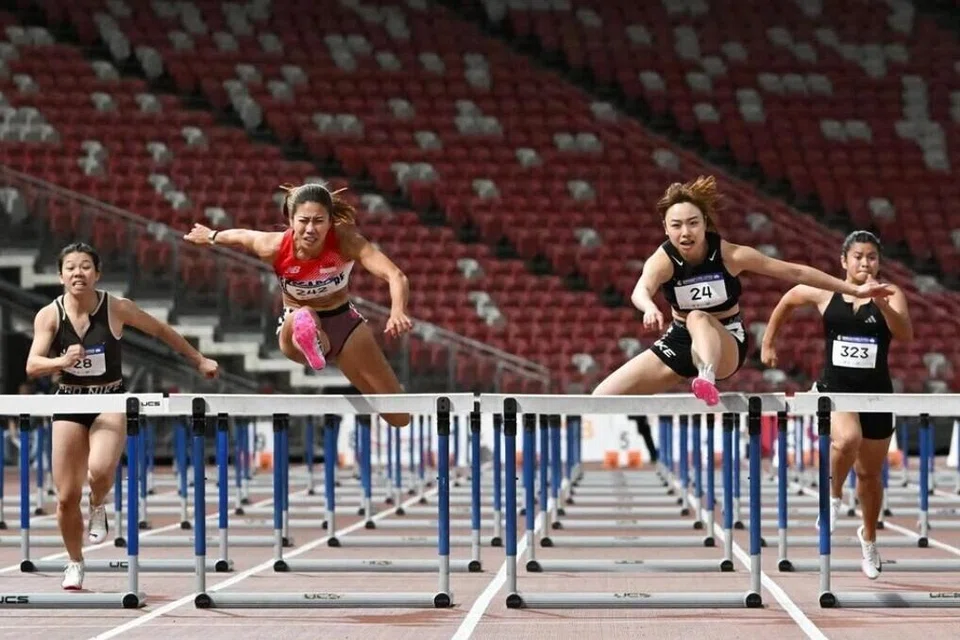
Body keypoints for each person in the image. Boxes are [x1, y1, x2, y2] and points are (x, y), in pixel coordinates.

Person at [592, 175, 893, 406]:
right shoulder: (664, 259)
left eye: (693, 223)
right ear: (666, 228)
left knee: (698, 316)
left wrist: (852, 290)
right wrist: (649, 307)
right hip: (681, 340)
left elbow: (795, 272)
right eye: (677, 225)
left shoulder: (730, 255)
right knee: (599, 398)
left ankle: (706, 379)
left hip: (726, 343)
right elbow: (641, 289)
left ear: (705, 224)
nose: (686, 232)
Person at [25, 242, 220, 591]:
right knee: (66, 496)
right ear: (60, 276)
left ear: (97, 274)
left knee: (99, 469)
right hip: (69, 401)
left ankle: (98, 502)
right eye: (70, 267)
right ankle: (75, 562)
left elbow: (160, 330)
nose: (78, 273)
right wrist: (60, 362)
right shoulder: (49, 315)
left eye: (85, 266)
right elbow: (32, 364)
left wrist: (199, 359)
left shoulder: (116, 308)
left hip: (110, 398)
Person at [183, 181, 413, 428]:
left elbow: (395, 275)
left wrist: (397, 310)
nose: (310, 229)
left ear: (330, 221)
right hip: (294, 324)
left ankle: (319, 346)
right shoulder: (275, 246)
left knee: (399, 417)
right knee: (305, 315)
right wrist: (212, 236)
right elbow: (242, 236)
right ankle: (311, 337)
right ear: (291, 220)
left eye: (318, 221)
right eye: (303, 221)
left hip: (344, 324)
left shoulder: (346, 242)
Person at [761, 230, 912, 579]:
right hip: (835, 389)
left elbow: (905, 335)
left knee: (871, 475)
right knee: (846, 439)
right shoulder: (827, 291)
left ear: (878, 261)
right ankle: (831, 497)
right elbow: (789, 299)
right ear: (844, 261)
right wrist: (768, 342)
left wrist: (885, 305)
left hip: (876, 394)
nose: (865, 262)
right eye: (858, 256)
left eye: (871, 257)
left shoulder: (891, 293)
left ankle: (869, 538)